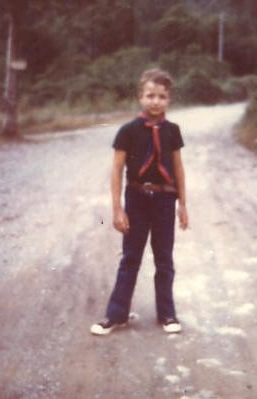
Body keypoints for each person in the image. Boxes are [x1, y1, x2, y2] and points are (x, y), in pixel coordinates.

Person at [90, 68, 188, 336]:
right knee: (131, 257)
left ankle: (167, 313)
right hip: (136, 199)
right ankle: (116, 314)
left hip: (165, 198)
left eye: (162, 96)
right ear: (140, 97)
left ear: (169, 99)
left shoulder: (173, 131)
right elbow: (116, 170)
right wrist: (117, 209)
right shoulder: (127, 131)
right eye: (150, 95)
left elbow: (178, 168)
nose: (156, 101)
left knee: (164, 259)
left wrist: (182, 204)